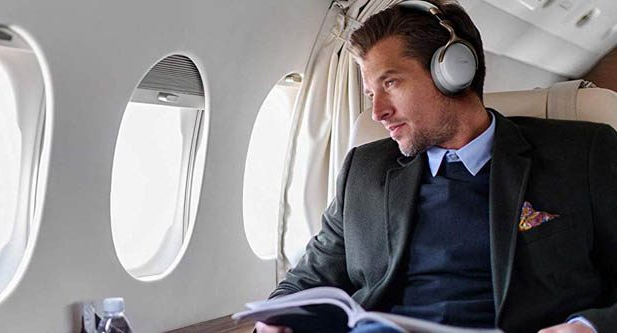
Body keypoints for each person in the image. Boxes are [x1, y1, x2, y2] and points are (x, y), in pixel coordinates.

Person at [256, 0, 617, 332]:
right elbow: (308, 278)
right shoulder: (364, 170)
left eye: (391, 82)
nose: (378, 111)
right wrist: (277, 313)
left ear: (455, 71)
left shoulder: (580, 155)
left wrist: (587, 326)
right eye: (370, 94)